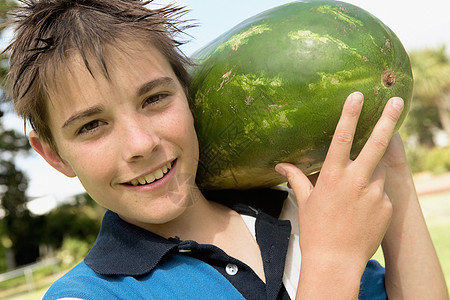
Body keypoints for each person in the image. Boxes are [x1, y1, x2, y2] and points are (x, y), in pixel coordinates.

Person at [3, 0, 447, 299]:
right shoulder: (92, 294)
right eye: (92, 125)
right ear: (54, 155)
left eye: (155, 99)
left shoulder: (289, 217)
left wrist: (393, 169)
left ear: (192, 95)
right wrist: (332, 264)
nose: (141, 144)